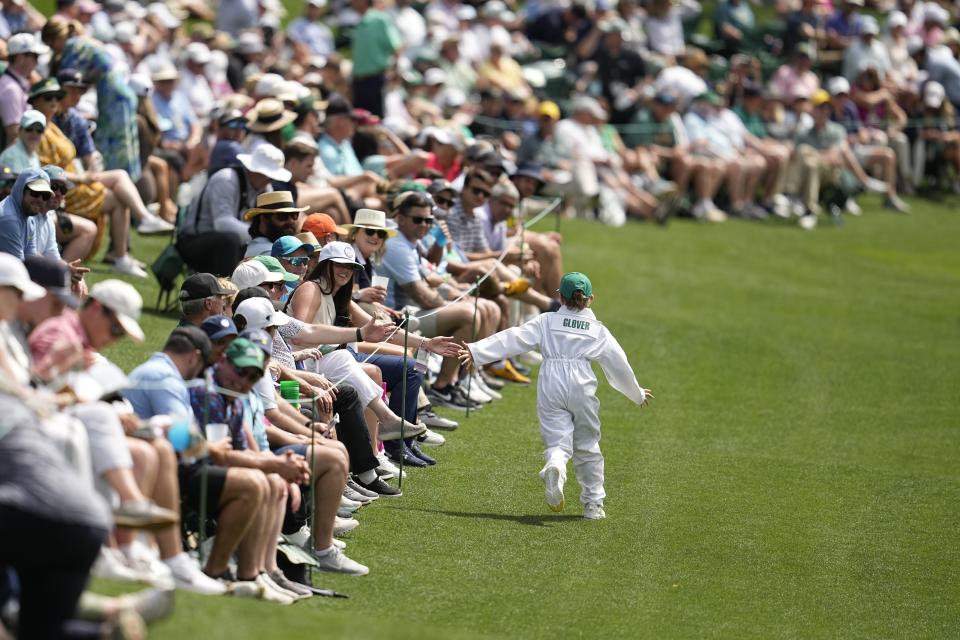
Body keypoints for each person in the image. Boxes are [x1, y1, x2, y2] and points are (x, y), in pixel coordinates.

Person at [459, 272, 652, 520]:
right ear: (590, 300)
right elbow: (618, 362)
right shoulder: (597, 330)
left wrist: (477, 351)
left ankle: (557, 464)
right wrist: (635, 392)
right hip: (582, 382)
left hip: (551, 380)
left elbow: (514, 337)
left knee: (557, 439)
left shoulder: (546, 321)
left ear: (559, 297)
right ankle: (593, 504)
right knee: (587, 443)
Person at [177, 143, 287, 276]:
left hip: (234, 244)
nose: (270, 179)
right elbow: (222, 224)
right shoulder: (226, 179)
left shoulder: (265, 188)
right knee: (229, 241)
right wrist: (260, 235)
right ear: (253, 169)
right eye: (267, 174)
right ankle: (227, 291)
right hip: (194, 241)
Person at [350, 0, 401, 117]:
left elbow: (396, 47)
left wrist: (394, 71)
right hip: (358, 81)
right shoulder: (359, 22)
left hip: (375, 80)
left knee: (377, 119)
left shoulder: (380, 20)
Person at [0, 32, 46, 148]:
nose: (37, 62)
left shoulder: (14, 84)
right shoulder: (11, 89)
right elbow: (14, 134)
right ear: (21, 58)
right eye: (35, 56)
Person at [243, 190, 307, 258]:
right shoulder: (266, 252)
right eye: (283, 216)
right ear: (263, 219)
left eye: (294, 215)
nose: (291, 221)